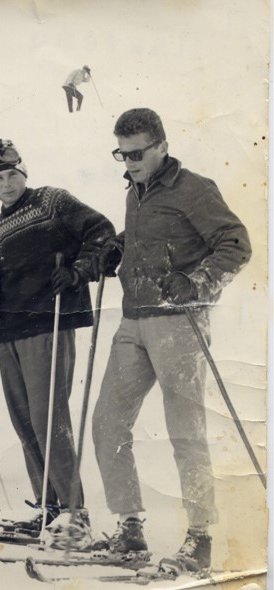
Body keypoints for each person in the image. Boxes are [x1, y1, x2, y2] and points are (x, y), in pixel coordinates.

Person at [92, 108, 251, 573]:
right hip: (133, 319)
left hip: (178, 321)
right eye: (121, 153)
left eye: (137, 153)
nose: (128, 162)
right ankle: (130, 528)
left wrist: (197, 282)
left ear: (162, 144)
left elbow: (235, 242)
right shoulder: (136, 190)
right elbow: (150, 238)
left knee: (185, 429)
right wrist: (118, 247)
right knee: (107, 422)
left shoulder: (193, 188)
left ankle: (199, 538)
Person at [0, 138, 115, 547]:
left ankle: (74, 511)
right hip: (10, 329)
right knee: (25, 422)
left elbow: (100, 230)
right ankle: (49, 508)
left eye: (11, 174)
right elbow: (0, 279)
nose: (6, 182)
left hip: (48, 320)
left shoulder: (51, 201)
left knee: (48, 418)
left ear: (24, 173)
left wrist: (80, 269)